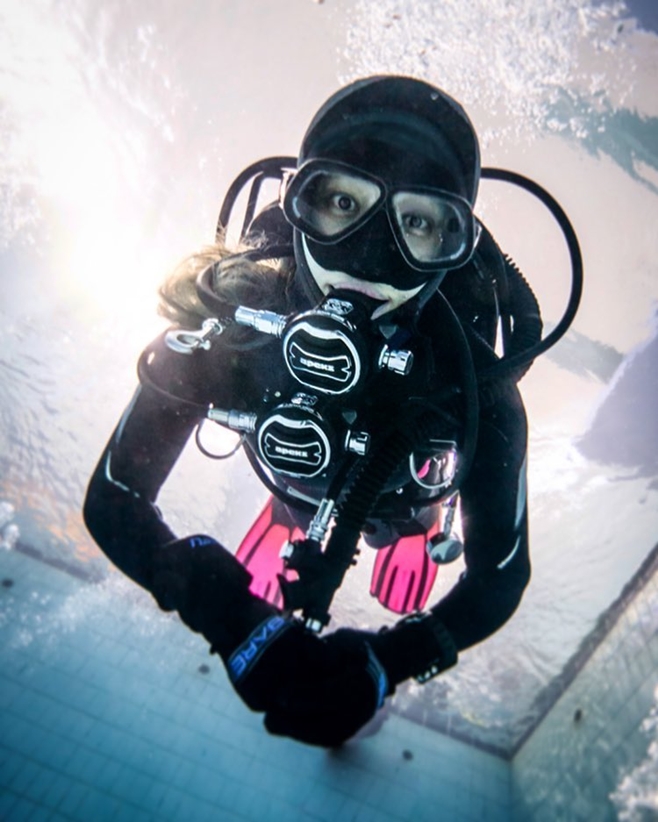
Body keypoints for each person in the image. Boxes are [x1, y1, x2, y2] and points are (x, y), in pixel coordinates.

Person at [84, 75, 540, 747]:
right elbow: (114, 499)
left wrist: (390, 660)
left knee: (407, 506)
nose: (369, 253)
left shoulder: (478, 395)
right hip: (291, 478)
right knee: (301, 486)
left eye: (417, 222)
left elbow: (499, 576)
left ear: (451, 247)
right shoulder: (227, 330)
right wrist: (224, 611)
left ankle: (413, 526)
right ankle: (290, 511)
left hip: (403, 492)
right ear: (299, 203)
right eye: (341, 201)